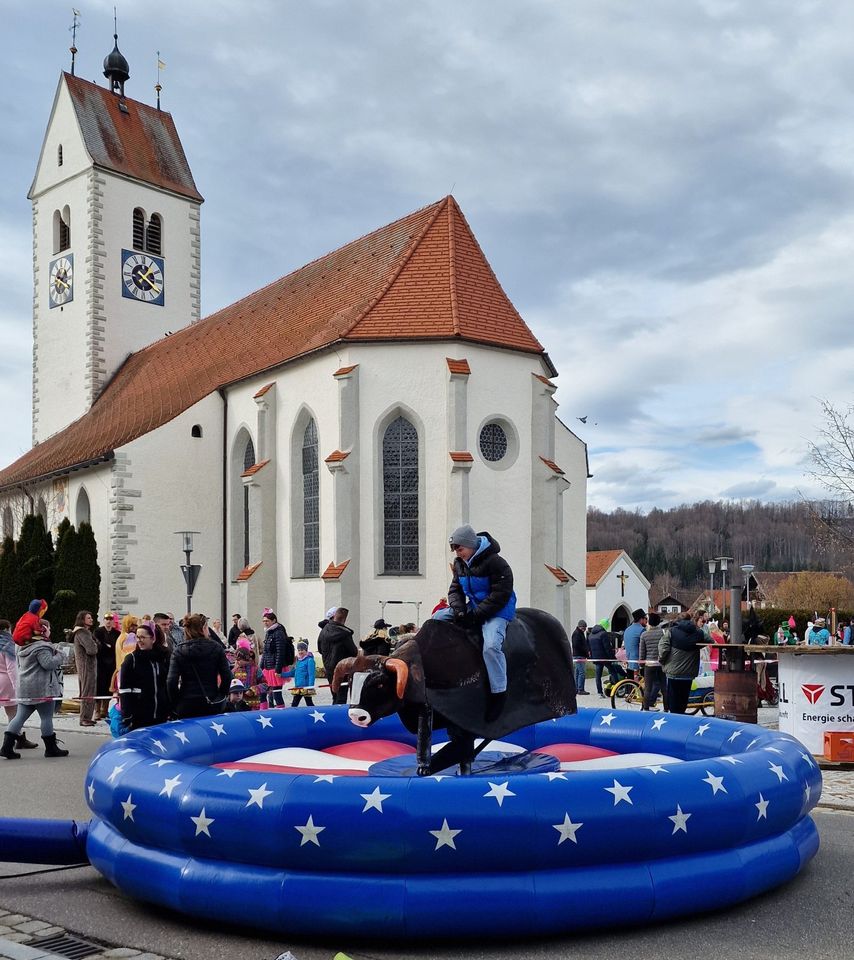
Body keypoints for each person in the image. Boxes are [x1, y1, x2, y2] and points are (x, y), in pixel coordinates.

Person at [433, 524, 517, 722]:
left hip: (499, 609)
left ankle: (499, 693)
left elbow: (500, 595)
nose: (457, 553)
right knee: (437, 619)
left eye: (459, 548)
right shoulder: (461, 564)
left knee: (490, 647)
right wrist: (460, 610)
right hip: (475, 605)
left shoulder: (497, 563)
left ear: (471, 545)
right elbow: (455, 590)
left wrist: (475, 615)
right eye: (455, 550)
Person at [1, 619, 68, 759]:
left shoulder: (21, 646)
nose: (50, 630)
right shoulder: (41, 646)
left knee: (19, 717)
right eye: (47, 628)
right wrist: (60, 656)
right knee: (46, 717)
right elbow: (48, 664)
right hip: (42, 688)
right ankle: (51, 749)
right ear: (42, 630)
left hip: (25, 688)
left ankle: (6, 747)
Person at [166, 613, 232, 719]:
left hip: (186, 703)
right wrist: (221, 696)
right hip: (212, 701)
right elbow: (227, 676)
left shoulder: (178, 650)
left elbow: (171, 681)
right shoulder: (216, 648)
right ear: (203, 628)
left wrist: (177, 702)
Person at [118, 621, 170, 729]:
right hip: (139, 717)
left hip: (161, 715)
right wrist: (127, 716)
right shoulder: (131, 659)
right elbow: (124, 690)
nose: (139, 640)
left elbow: (166, 684)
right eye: (137, 637)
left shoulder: (161, 658)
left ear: (152, 638)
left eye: (142, 637)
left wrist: (170, 708)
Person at [0, 619, 38, 750]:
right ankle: (18, 739)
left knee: (12, 712)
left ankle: (19, 738)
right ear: (7, 629)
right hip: (6, 682)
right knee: (13, 713)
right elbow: (11, 668)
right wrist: (17, 686)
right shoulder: (7, 644)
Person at [659, 611, 705, 714]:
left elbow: (663, 649)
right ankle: (681, 718)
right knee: (683, 699)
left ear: (678, 620)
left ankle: (674, 721)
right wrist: (696, 647)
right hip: (688, 673)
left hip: (673, 672)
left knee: (673, 700)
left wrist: (662, 660)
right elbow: (710, 640)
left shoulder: (670, 631)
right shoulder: (699, 632)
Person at [318, 607, 357, 704]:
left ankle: (334, 713)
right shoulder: (345, 634)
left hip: (329, 668)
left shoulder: (323, 632)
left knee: (334, 694)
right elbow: (353, 651)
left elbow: (319, 649)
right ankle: (340, 717)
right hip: (342, 668)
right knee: (342, 695)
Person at [260, 609, 294, 708]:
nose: (265, 623)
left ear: (274, 620)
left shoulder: (278, 633)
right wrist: (261, 666)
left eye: (267, 621)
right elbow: (266, 652)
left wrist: (278, 670)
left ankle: (281, 713)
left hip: (275, 667)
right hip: (268, 667)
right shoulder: (269, 632)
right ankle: (264, 712)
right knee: (262, 691)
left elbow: (280, 652)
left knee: (276, 693)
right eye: (264, 621)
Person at [71, 610, 98, 727]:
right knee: (88, 691)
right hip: (87, 666)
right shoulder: (82, 633)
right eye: (88, 618)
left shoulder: (84, 632)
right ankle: (84, 718)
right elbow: (92, 650)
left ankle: (87, 717)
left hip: (86, 666)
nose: (91, 619)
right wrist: (96, 644)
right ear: (82, 620)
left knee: (88, 691)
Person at [93, 612, 120, 719]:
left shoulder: (116, 633)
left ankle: (105, 709)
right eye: (106, 619)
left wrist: (108, 646)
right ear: (104, 621)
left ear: (113, 621)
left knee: (109, 687)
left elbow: (115, 647)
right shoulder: (98, 631)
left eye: (110, 619)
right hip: (100, 663)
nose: (108, 621)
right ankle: (97, 710)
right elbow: (98, 645)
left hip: (112, 664)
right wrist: (106, 646)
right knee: (99, 686)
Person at [638, 613, 667, 711]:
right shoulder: (663, 633)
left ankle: (646, 707)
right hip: (661, 663)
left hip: (649, 664)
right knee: (664, 687)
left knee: (648, 687)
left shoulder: (644, 635)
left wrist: (641, 664)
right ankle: (666, 708)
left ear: (649, 622)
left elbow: (642, 651)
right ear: (659, 622)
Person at [588, 619, 623, 697]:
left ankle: (599, 692)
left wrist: (592, 657)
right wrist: (613, 658)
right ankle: (618, 689)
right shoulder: (603, 634)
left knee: (598, 676)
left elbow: (589, 648)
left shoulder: (590, 635)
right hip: (605, 658)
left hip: (596, 658)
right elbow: (607, 648)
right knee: (613, 671)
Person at [232, 639, 266, 709]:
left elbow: (265, 684)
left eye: (239, 660)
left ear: (245, 659)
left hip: (253, 704)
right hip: (239, 705)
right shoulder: (235, 670)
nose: (237, 662)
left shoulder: (256, 669)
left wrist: (253, 690)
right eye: (236, 660)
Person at [622, 609, 648, 677]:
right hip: (638, 663)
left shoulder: (627, 629)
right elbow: (645, 646)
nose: (646, 621)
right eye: (645, 618)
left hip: (628, 661)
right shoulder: (642, 630)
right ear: (641, 619)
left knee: (630, 683)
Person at [291, 641, 317, 707]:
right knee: (295, 703)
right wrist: (282, 675)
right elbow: (294, 672)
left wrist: (310, 686)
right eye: (299, 650)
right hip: (298, 686)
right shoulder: (299, 661)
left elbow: (311, 675)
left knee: (308, 703)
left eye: (302, 650)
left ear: (306, 650)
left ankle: (314, 713)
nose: (300, 652)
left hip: (306, 687)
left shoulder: (310, 660)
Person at [570, 619, 590, 695]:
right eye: (584, 628)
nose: (584, 629)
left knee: (577, 672)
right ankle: (580, 689)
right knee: (582, 672)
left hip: (578, 655)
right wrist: (585, 652)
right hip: (579, 655)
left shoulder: (579, 633)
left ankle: (576, 688)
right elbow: (577, 645)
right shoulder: (577, 634)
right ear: (580, 627)